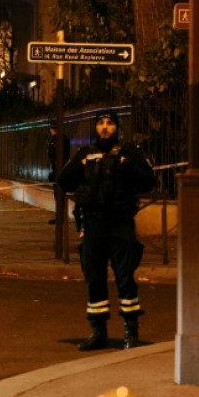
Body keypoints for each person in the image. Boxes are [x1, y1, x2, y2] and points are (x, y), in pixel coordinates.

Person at [58, 109, 156, 351]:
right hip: (93, 223)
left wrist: (127, 165)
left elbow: (148, 181)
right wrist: (80, 164)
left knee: (125, 277)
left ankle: (130, 332)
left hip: (120, 222)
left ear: (117, 127)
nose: (104, 127)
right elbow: (64, 181)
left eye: (109, 123)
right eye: (100, 123)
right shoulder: (85, 154)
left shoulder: (129, 152)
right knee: (94, 278)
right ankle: (98, 331)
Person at [47, 122, 71, 224]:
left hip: (58, 168)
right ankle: (61, 217)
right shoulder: (65, 138)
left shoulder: (57, 139)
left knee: (59, 194)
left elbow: (52, 153)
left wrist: (50, 149)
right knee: (60, 194)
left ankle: (60, 218)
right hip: (63, 167)